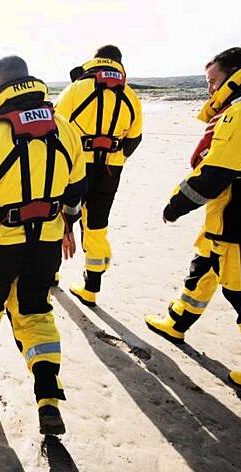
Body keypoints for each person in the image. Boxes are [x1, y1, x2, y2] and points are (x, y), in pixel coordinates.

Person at [0, 56, 86, 434]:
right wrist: (69, 224)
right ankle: (48, 394)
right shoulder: (65, 128)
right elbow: (77, 187)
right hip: (46, 241)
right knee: (36, 312)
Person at [145, 47, 241, 396]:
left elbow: (214, 174)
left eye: (213, 81)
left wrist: (175, 205)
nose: (211, 90)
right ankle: (177, 321)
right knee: (206, 262)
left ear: (234, 74)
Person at [54, 45, 143, 306]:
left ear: (95, 61)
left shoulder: (74, 90)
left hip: (76, 168)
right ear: (119, 63)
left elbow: (56, 129)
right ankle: (92, 287)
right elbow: (134, 139)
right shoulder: (131, 96)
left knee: (61, 221)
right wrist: (116, 158)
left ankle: (51, 275)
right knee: (96, 225)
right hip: (109, 171)